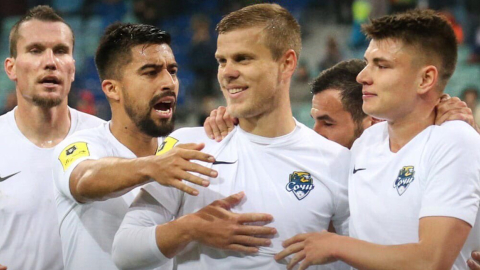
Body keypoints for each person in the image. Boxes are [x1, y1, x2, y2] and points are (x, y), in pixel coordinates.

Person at [112, 4, 350, 270]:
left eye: (243, 58)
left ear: (286, 63)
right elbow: (124, 251)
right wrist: (190, 229)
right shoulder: (189, 146)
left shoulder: (336, 161)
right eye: (222, 61)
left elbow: (357, 258)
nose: (227, 72)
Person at [51, 22, 275, 270]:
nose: (169, 82)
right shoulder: (81, 144)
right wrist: (153, 166)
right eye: (150, 72)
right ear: (113, 89)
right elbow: (84, 179)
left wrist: (230, 128)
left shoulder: (183, 149)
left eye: (173, 71)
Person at [275, 9, 480, 270]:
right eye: (367, 62)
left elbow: (431, 261)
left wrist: (337, 245)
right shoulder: (366, 143)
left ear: (426, 79)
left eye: (381, 65)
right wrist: (233, 126)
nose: (363, 76)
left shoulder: (455, 139)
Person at [0, 6, 106, 270]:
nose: (50, 61)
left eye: (60, 51)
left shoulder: (107, 140)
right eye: (35, 50)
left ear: (72, 67)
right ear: (11, 68)